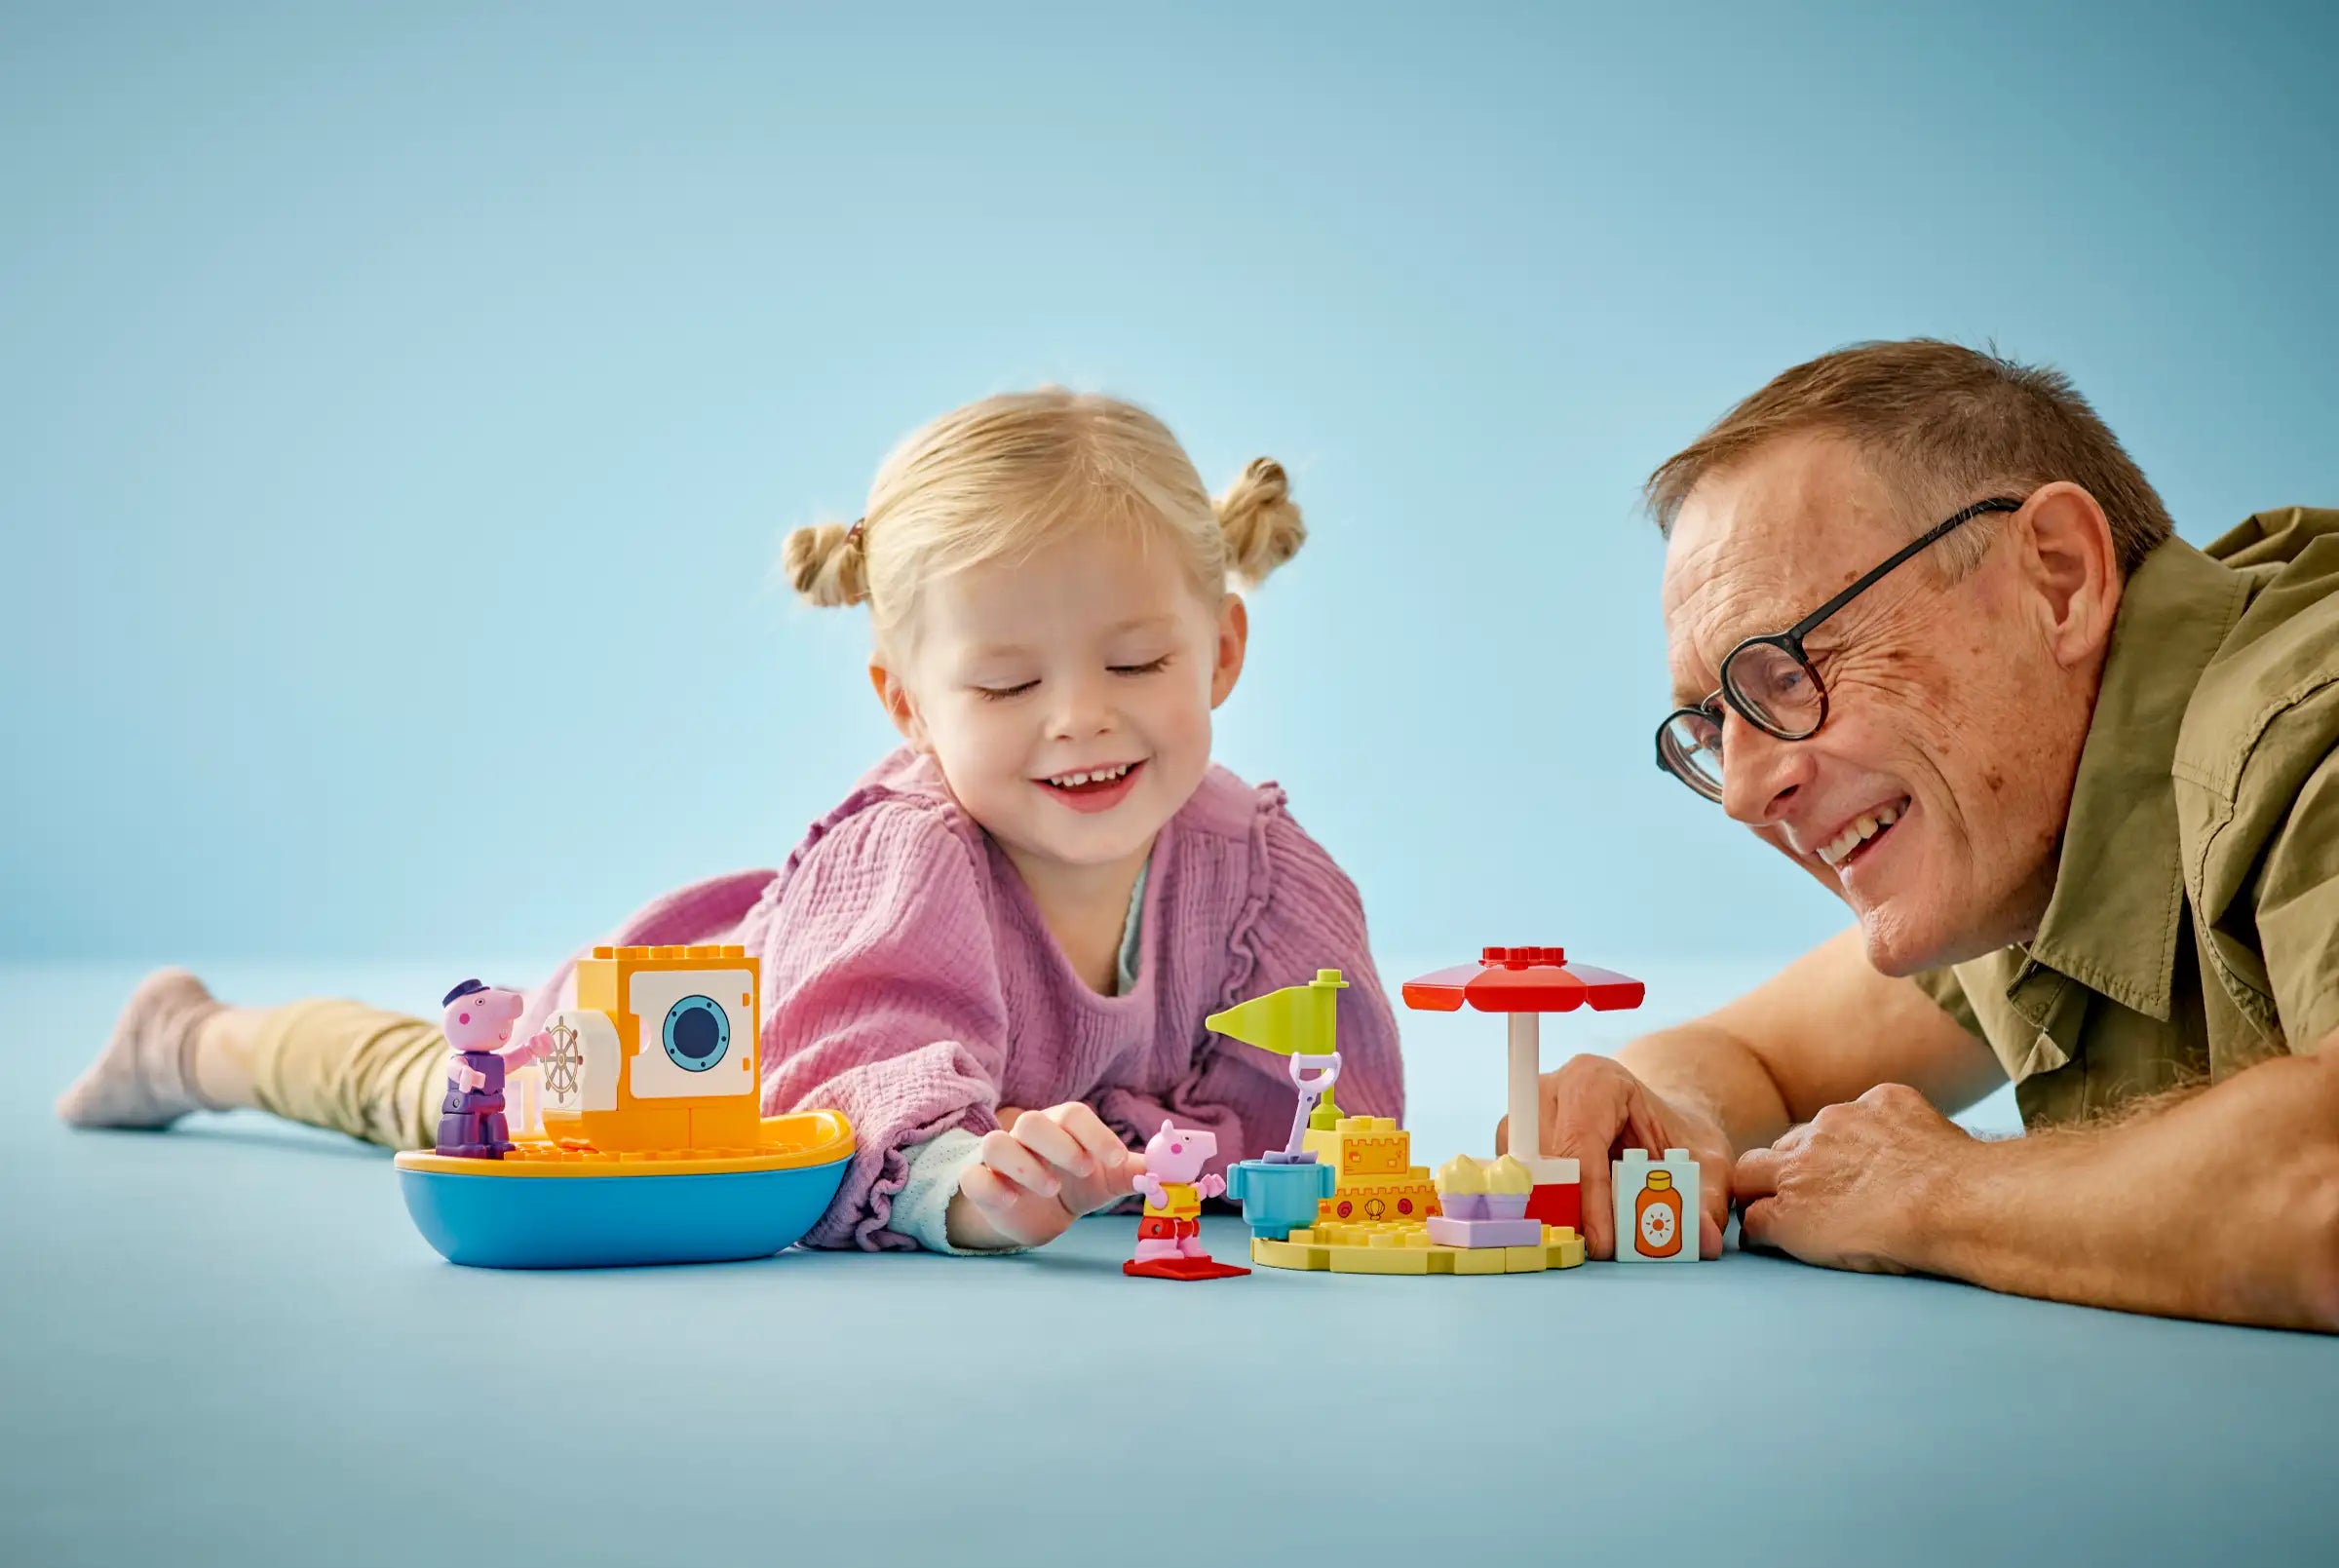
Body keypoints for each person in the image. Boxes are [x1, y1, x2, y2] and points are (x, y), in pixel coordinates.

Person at [58, 390, 1405, 1255]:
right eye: (1005, 683)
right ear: (908, 704)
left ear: (1222, 651)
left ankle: (203, 1038)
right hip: (647, 1072)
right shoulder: (917, 859)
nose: (1080, 721)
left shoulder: (1261, 877)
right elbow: (849, 1093)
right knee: (432, 1085)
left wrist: (1173, 1162)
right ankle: (199, 1042)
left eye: (1136, 667)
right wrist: (958, 1183)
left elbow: (1311, 1114)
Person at [1521, 339, 2339, 1330]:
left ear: (2060, 579)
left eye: (1789, 671)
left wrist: (1937, 1195)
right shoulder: (2026, 828)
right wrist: (1672, 1121)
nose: (1740, 795)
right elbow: (1748, 1055)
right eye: (1710, 724)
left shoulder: (2307, 724)